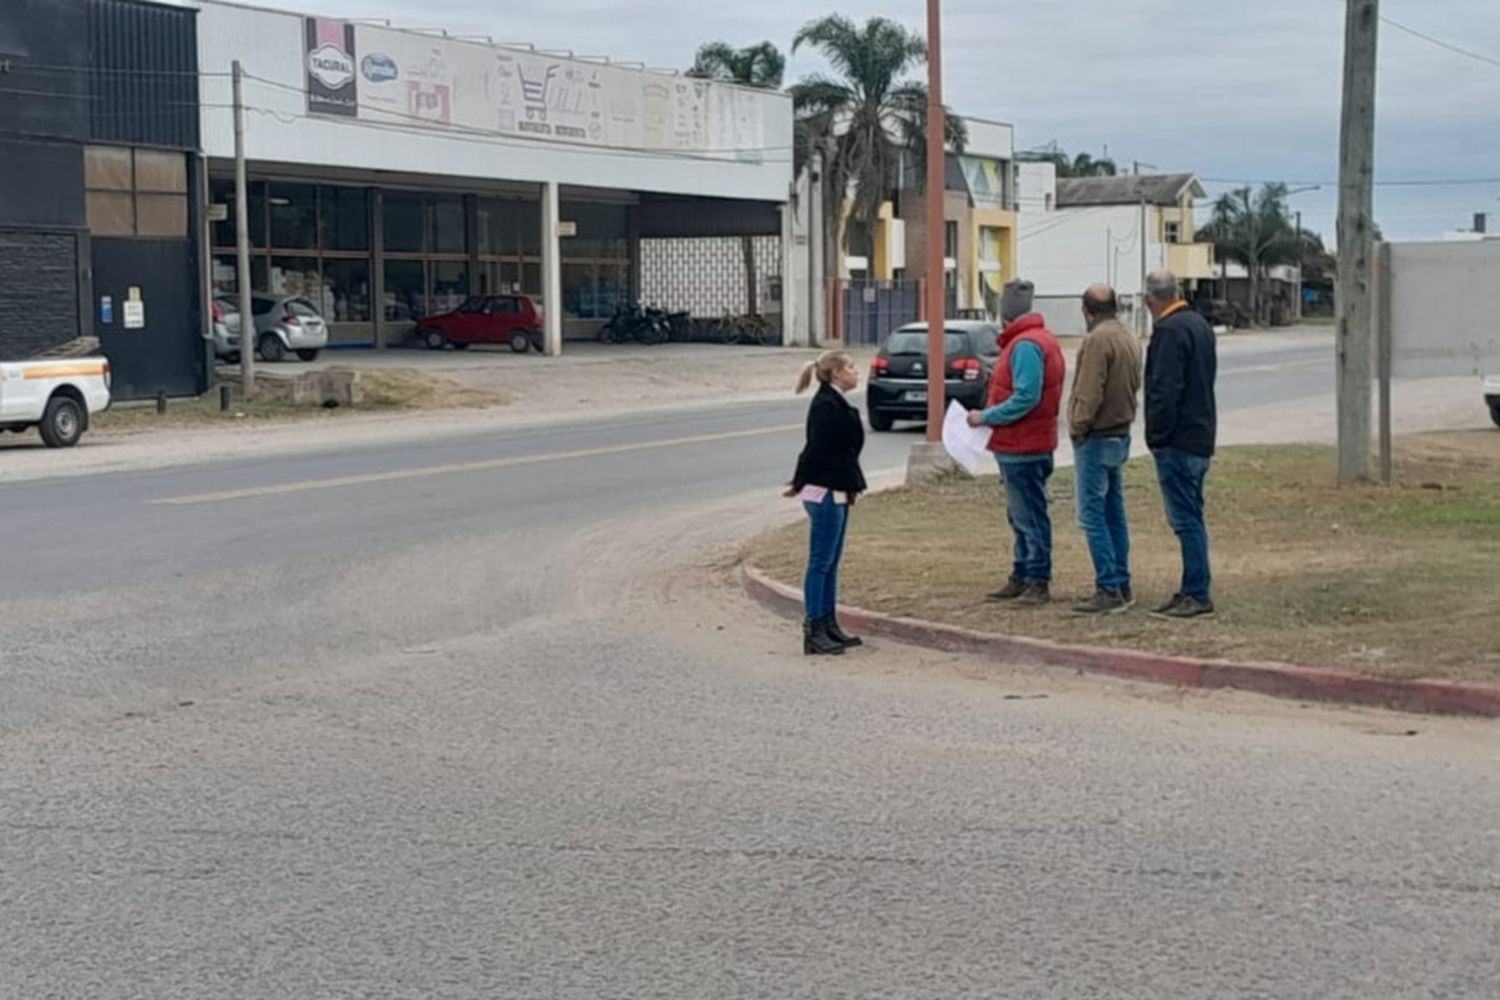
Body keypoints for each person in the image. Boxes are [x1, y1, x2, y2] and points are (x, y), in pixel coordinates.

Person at [967, 279, 1067, 606]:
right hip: (1022, 444)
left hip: (1024, 445)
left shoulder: (1025, 346)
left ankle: (1037, 577)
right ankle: (1022, 572)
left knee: (1029, 515)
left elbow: (1026, 397)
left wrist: (986, 416)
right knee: (1020, 514)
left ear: (1004, 315)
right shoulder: (1035, 341)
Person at [1143, 269, 1218, 619]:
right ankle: (1192, 586)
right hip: (1200, 432)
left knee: (1186, 519)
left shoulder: (1169, 331)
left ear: (1149, 300)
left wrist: (1156, 435)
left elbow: (1165, 389)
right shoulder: (1198, 324)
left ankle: (1197, 592)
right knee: (1192, 515)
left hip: (1179, 439)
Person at [1068, 284, 1143, 615]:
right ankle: (1121, 581)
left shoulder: (1097, 340)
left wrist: (1077, 426)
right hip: (1120, 432)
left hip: (1096, 437)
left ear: (1086, 311)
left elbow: (1089, 391)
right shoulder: (1127, 336)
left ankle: (1108, 586)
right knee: (1114, 512)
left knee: (1092, 515)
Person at [787, 351, 867, 655]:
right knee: (820, 561)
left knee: (831, 562)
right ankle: (814, 626)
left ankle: (829, 622)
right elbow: (817, 450)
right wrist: (799, 483)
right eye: (851, 367)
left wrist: (851, 487)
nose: (856, 373)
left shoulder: (838, 403)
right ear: (835, 374)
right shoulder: (825, 406)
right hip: (824, 490)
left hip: (838, 488)